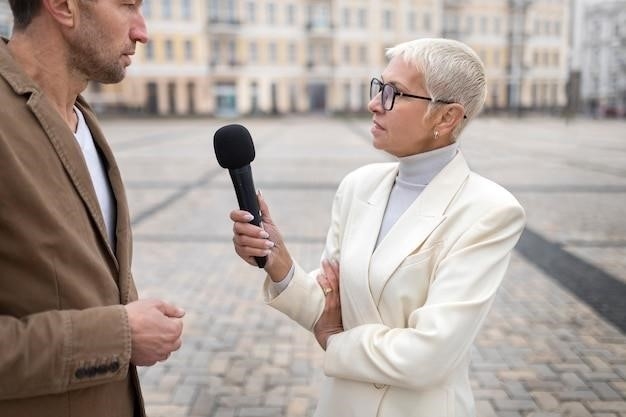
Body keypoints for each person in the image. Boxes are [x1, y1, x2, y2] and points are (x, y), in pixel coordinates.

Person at [230, 38, 526, 417]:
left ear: (446, 117)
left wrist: (336, 343)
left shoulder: (489, 211)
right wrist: (279, 261)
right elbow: (329, 308)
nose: (374, 103)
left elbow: (428, 356)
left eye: (394, 93)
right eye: (379, 86)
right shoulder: (359, 186)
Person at [0, 1, 184, 416]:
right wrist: (118, 335)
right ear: (64, 7)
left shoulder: (82, 118)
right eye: (127, 6)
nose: (142, 32)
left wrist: (130, 310)